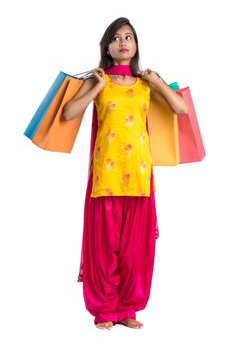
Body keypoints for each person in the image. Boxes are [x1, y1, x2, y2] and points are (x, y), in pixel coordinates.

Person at [62, 17, 188, 330]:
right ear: (107, 46)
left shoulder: (146, 84)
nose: (123, 42)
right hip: (106, 179)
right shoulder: (98, 81)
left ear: (135, 46)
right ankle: (105, 310)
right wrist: (99, 86)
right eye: (116, 37)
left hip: (140, 177)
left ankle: (128, 308)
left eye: (129, 37)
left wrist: (158, 82)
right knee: (104, 248)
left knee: (136, 251)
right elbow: (68, 113)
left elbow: (180, 109)